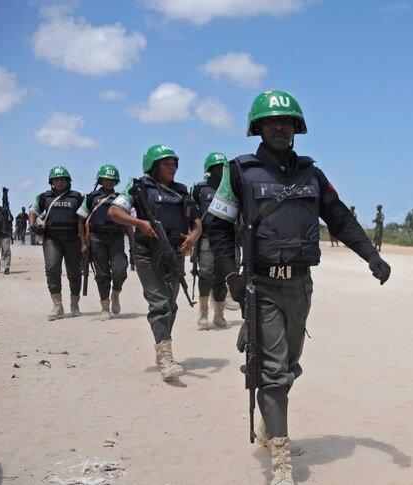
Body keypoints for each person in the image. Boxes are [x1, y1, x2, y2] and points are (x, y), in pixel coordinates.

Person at [207, 89, 391, 485]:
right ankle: (282, 460)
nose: (279, 127)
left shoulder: (312, 174)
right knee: (274, 372)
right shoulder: (238, 172)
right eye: (271, 122)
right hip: (260, 285)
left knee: (287, 368)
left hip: (301, 287)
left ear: (296, 129)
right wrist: (231, 277)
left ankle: (268, 426)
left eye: (286, 122)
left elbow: (339, 218)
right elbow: (218, 228)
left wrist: (370, 256)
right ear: (258, 128)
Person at [109, 144, 201, 382]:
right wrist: (139, 224)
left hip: (174, 253)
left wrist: (191, 238)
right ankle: (166, 357)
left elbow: (197, 223)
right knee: (159, 303)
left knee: (171, 305)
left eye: (174, 164)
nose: (172, 168)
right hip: (147, 252)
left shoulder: (181, 191)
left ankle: (162, 347)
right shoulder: (138, 187)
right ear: (154, 166)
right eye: (166, 164)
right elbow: (114, 212)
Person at [29, 166, 85, 320]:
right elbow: (33, 211)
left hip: (73, 239)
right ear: (51, 181)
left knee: (74, 272)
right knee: (52, 269)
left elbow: (85, 218)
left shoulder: (78, 197)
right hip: (52, 239)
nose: (59, 181)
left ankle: (74, 304)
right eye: (56, 179)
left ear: (68, 181)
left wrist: (85, 241)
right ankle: (57, 305)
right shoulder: (43, 197)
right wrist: (33, 226)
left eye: (62, 179)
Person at [77, 164, 130, 320]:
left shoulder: (121, 199)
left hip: (116, 238)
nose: (109, 182)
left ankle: (116, 293)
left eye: (112, 180)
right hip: (97, 238)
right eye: (106, 179)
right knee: (102, 275)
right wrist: (83, 243)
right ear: (100, 180)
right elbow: (81, 221)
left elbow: (127, 222)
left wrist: (133, 243)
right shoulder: (91, 197)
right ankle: (105, 307)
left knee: (120, 271)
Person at [191, 152, 231, 330]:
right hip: (206, 237)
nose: (220, 170)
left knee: (222, 275)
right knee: (205, 273)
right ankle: (203, 311)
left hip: (226, 239)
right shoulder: (200, 188)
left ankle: (219, 314)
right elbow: (192, 213)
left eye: (223, 167)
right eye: (216, 167)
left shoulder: (230, 188)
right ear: (209, 169)